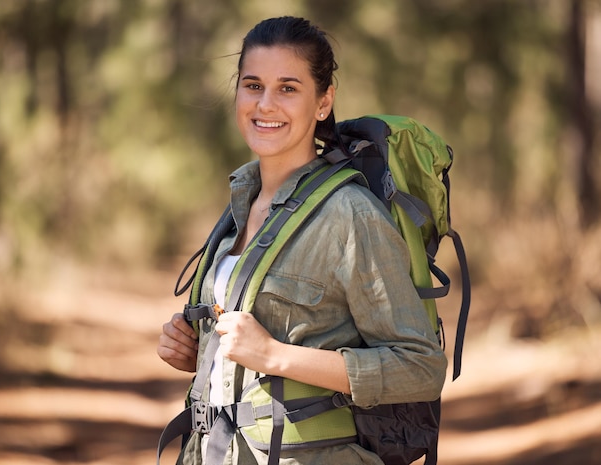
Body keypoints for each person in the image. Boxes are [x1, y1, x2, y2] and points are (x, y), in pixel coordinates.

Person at [157, 16, 447, 465]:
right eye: (253, 85)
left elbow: (420, 368)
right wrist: (198, 352)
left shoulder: (349, 214)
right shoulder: (241, 205)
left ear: (323, 102)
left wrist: (274, 355)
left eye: (288, 89)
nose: (265, 104)